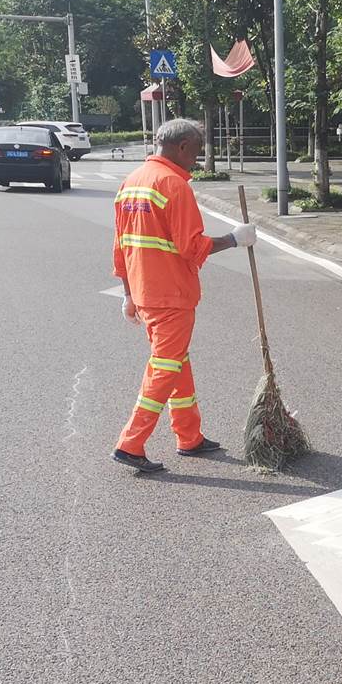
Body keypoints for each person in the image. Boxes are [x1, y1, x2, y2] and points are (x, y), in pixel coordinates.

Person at [111, 117, 255, 474]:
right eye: (197, 153)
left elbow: (121, 248)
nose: (198, 160)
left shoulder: (131, 183)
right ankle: (130, 443)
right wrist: (235, 239)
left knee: (176, 363)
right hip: (171, 294)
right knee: (164, 367)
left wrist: (129, 295)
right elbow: (193, 248)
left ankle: (188, 436)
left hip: (147, 292)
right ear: (182, 148)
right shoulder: (174, 185)